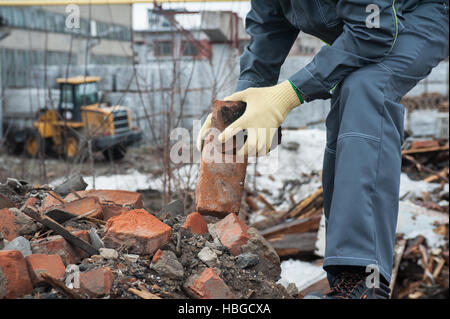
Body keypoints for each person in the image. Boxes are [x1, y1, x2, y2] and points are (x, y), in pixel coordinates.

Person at [197, 0, 449, 298]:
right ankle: (346, 279)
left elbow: (374, 29)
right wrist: (244, 102)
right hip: (370, 27)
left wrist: (287, 96)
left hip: (420, 12)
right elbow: (268, 30)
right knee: (348, 96)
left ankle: (364, 284)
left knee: (366, 87)